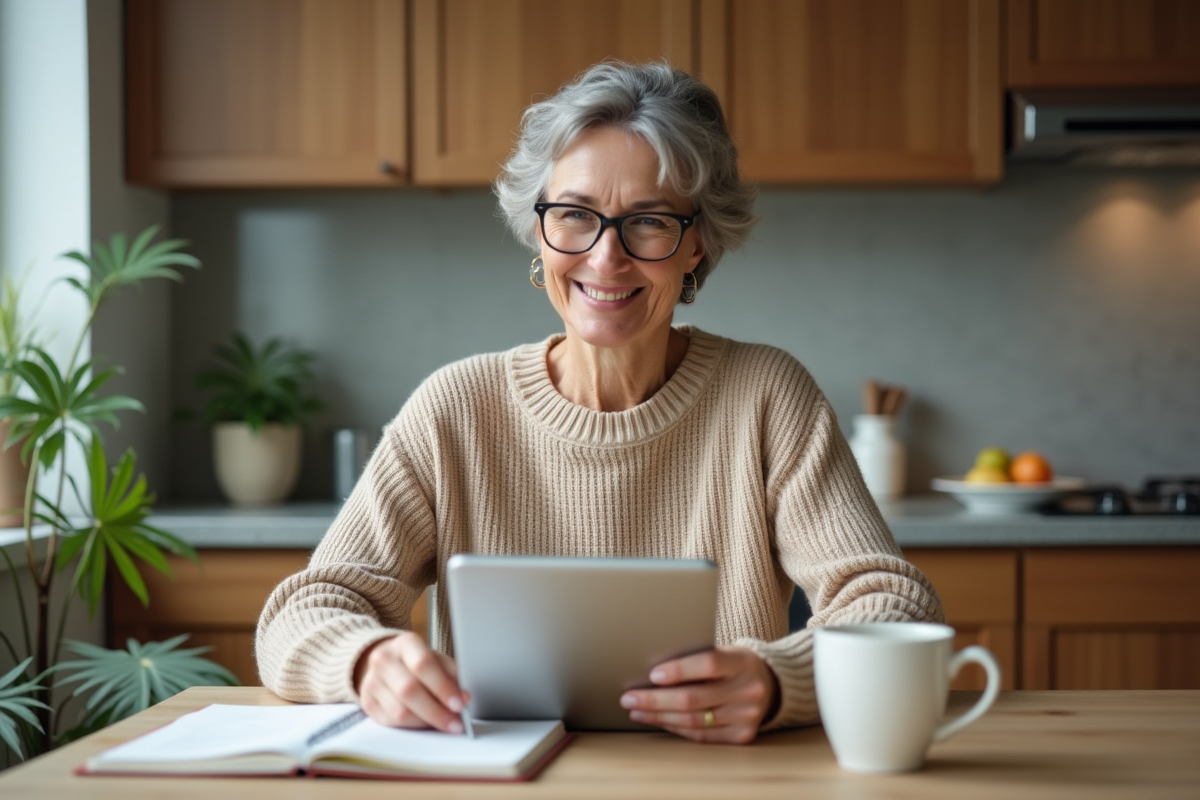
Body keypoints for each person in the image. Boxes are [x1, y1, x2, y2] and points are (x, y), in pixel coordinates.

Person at [256, 61, 943, 745]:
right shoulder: (455, 408)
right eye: (576, 216)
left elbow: (896, 609)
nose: (605, 257)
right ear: (539, 231)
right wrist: (367, 660)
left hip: (718, 781)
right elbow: (304, 611)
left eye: (646, 221)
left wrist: (776, 679)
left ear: (696, 243)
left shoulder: (767, 396)